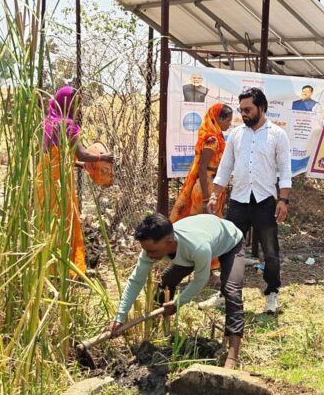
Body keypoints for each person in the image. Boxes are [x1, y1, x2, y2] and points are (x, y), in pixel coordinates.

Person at [107, 213, 245, 369]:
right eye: (146, 250)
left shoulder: (198, 247)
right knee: (166, 282)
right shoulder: (151, 249)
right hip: (197, 246)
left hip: (230, 242)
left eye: (153, 251)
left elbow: (201, 279)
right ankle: (154, 333)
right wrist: (120, 316)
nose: (149, 255)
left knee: (232, 291)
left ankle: (232, 356)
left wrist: (178, 303)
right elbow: (136, 280)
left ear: (170, 242)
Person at [209, 87, 292, 314]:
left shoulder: (277, 135)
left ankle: (272, 294)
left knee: (270, 251)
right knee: (229, 248)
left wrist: (283, 200)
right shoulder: (236, 135)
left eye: (248, 109)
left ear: (261, 108)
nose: (243, 114)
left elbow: (285, 171)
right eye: (241, 110)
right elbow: (225, 167)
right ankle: (225, 293)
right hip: (239, 200)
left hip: (265, 202)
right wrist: (215, 194)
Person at [36, 85, 113, 275]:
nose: (78, 108)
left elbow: (57, 157)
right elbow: (83, 153)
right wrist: (104, 158)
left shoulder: (48, 122)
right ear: (67, 103)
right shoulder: (67, 124)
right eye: (75, 103)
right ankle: (68, 270)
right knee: (68, 223)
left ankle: (49, 269)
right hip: (59, 184)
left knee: (49, 223)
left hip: (43, 180)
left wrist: (78, 165)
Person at [169, 103, 234, 309]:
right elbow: (204, 167)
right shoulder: (212, 139)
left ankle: (205, 271)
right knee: (205, 230)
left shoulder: (216, 137)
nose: (229, 124)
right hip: (206, 187)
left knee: (209, 229)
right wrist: (208, 198)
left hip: (213, 185)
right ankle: (203, 273)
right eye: (227, 120)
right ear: (217, 119)